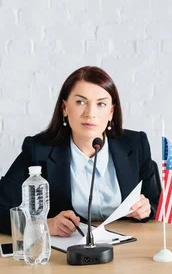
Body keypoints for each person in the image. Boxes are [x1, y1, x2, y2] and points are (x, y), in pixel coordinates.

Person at [0, 66, 160, 236]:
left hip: (129, 249)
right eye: (80, 102)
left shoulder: (136, 145)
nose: (90, 113)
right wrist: (44, 225)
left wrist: (147, 209)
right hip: (66, 254)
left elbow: (158, 204)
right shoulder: (38, 150)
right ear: (64, 108)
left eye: (101, 104)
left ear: (111, 112)